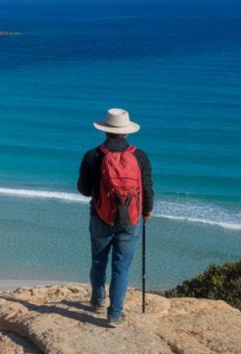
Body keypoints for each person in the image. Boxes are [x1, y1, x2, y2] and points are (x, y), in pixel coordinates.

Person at [78, 108, 154, 327]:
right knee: (121, 267)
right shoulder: (139, 156)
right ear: (127, 132)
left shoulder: (93, 156)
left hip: (100, 216)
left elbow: (83, 189)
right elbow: (147, 189)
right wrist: (147, 212)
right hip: (131, 219)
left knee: (98, 261)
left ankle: (98, 300)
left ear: (105, 130)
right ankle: (115, 314)